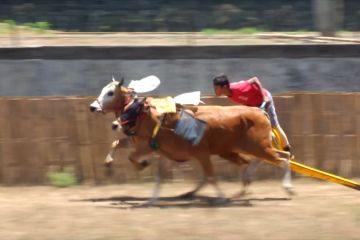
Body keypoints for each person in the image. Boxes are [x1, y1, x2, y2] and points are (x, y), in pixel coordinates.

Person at [212, 74, 293, 156]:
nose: (214, 89)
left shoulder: (238, 88)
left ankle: (288, 150)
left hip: (264, 101)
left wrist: (264, 97)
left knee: (274, 126)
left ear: (224, 87)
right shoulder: (229, 94)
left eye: (216, 87)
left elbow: (254, 79)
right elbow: (245, 98)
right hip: (254, 105)